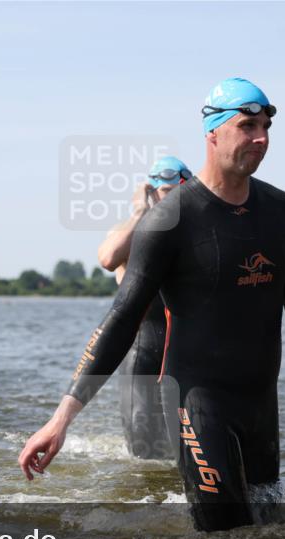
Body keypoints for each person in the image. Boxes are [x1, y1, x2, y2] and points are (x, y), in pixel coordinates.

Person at [19, 78, 285, 531]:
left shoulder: (284, 211)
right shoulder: (169, 221)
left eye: (267, 127)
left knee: (268, 531)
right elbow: (120, 319)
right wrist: (61, 420)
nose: (262, 138)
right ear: (213, 132)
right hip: (197, 400)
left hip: (260, 404)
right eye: (248, 125)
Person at [97, 156, 192, 459]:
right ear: (151, 193)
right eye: (164, 194)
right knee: (147, 460)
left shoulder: (196, 236)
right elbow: (108, 258)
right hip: (143, 360)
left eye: (178, 193)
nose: (171, 202)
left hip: (190, 363)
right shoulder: (130, 234)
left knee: (194, 458)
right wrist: (140, 210)